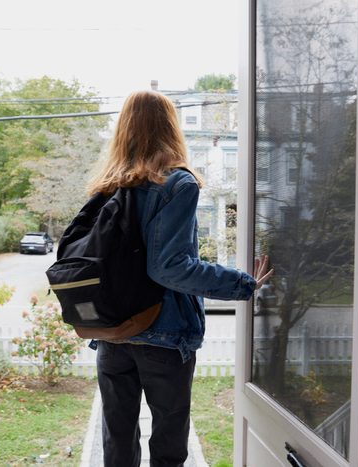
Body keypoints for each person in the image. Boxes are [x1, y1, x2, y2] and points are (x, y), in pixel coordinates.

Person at [86, 90, 273, 467]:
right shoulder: (177, 184)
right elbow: (169, 267)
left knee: (117, 441)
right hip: (163, 334)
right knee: (169, 445)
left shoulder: (107, 187)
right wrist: (241, 284)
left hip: (113, 332)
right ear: (170, 128)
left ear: (124, 129)